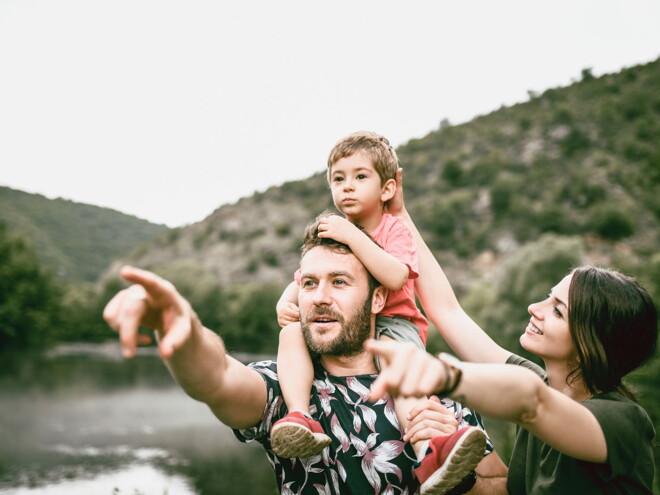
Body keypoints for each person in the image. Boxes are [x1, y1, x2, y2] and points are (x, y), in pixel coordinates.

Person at [103, 216, 508, 494]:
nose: (320, 298)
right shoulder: (285, 385)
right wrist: (184, 328)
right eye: (309, 283)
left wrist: (461, 479)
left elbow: (501, 485)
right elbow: (218, 380)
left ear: (377, 297)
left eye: (339, 282)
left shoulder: (434, 384)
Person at [365, 169, 658, 494]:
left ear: (591, 343)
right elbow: (447, 311)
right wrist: (399, 215)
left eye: (557, 310)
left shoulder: (623, 423)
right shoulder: (540, 384)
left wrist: (445, 376)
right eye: (548, 296)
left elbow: (532, 404)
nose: (535, 308)